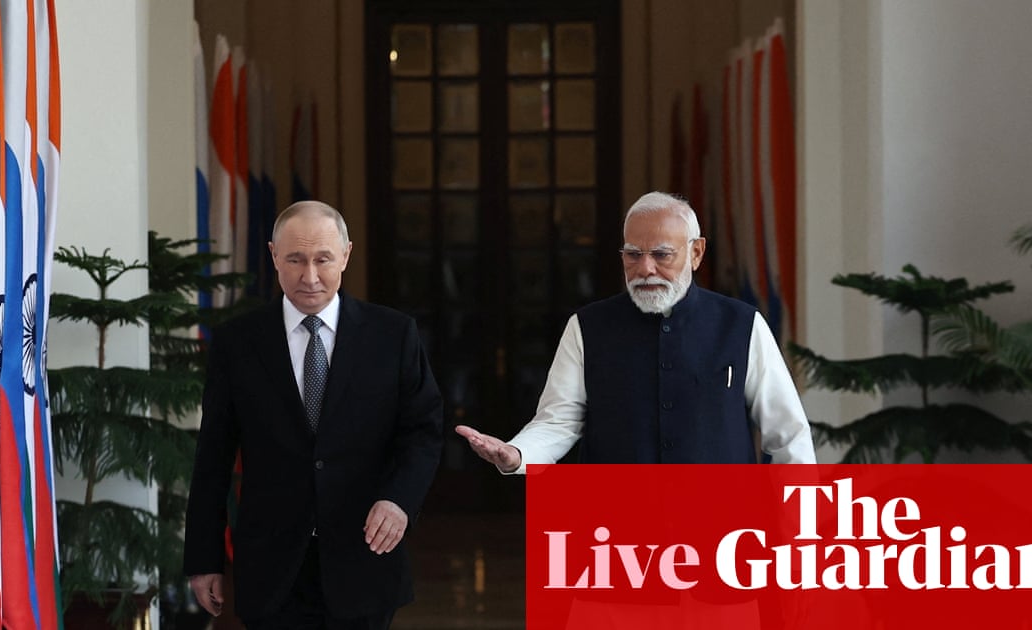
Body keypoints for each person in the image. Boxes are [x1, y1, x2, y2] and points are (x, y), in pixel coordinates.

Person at [184, 201, 444, 629]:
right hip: (271, 569)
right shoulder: (237, 343)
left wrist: (399, 500)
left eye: (323, 259)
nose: (309, 277)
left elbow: (423, 431)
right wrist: (203, 559)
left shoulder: (393, 335)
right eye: (295, 260)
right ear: (273, 256)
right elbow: (213, 456)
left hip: (364, 560)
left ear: (346, 255)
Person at [456, 191, 814, 470]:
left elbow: (788, 435)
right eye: (633, 254)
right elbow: (558, 421)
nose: (645, 269)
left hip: (723, 526)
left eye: (661, 255)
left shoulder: (741, 324)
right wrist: (518, 454)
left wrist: (793, 525)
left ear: (696, 253)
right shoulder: (587, 326)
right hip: (616, 525)